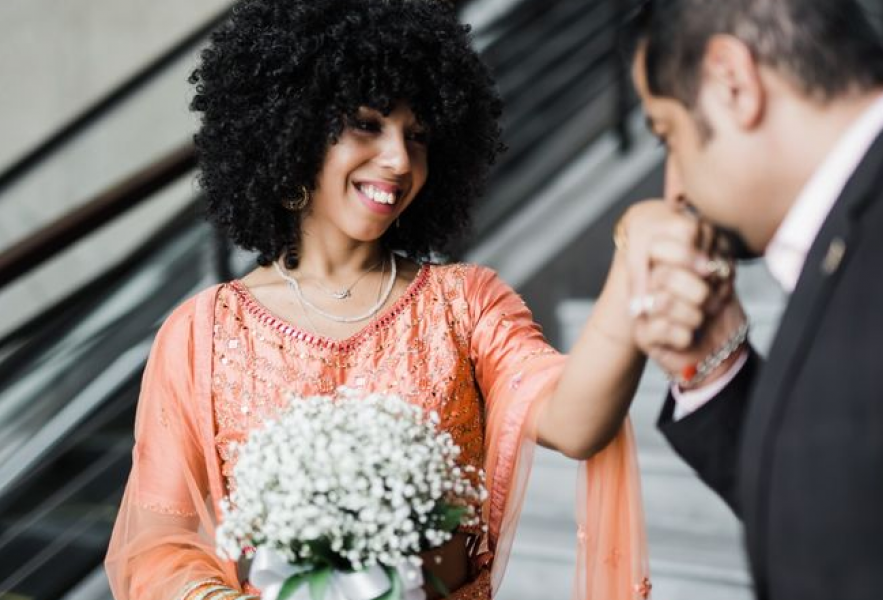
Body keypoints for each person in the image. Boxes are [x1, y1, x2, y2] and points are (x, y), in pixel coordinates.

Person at [106, 1, 654, 599]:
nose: (399, 160)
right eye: (367, 124)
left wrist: (635, 271)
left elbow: (577, 424)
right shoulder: (202, 333)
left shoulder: (466, 305)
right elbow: (159, 548)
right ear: (291, 131)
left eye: (417, 136)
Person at [613, 0, 883, 599]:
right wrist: (717, 364)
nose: (675, 190)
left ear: (733, 82)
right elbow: (857, 527)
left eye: (668, 136)